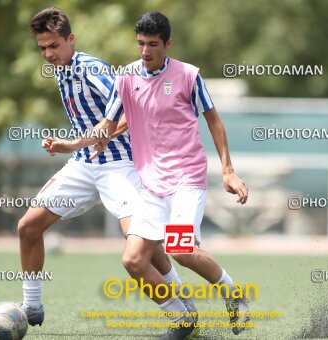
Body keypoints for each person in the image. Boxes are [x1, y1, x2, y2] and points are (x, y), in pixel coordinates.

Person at [80, 11, 251, 339]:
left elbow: (214, 121)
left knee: (180, 249)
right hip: (152, 182)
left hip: (187, 177)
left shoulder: (187, 75)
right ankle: (183, 320)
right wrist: (84, 141)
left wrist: (228, 171)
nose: (145, 51)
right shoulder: (127, 76)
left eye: (153, 45)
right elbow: (113, 122)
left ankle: (234, 294)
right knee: (133, 260)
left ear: (168, 44)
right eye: (141, 43)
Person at [20, 7, 191, 327]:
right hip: (84, 166)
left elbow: (131, 109)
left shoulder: (90, 69)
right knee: (28, 227)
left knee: (143, 247)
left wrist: (90, 138)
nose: (48, 53)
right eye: (42, 47)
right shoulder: (60, 69)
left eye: (54, 46)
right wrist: (75, 145)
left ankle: (182, 313)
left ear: (70, 40)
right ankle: (31, 306)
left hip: (119, 166)